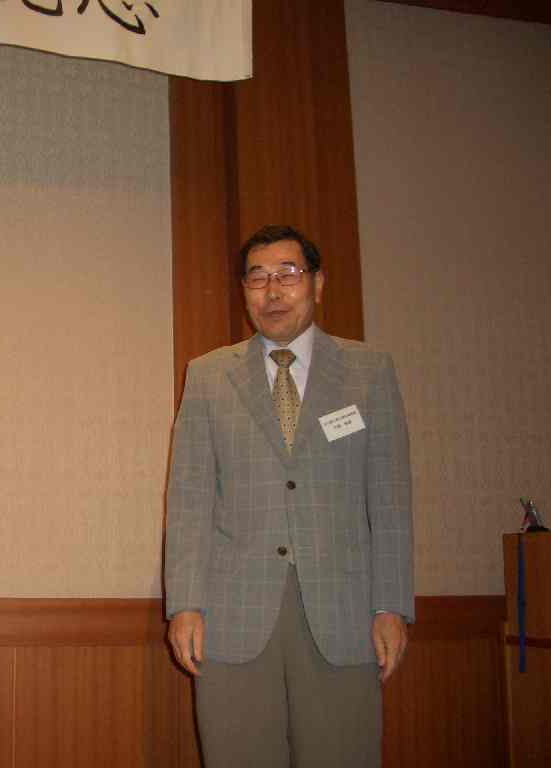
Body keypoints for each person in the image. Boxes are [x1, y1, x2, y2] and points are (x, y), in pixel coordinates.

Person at [164, 225, 413, 767]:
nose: (272, 290)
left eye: (288, 274)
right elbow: (188, 500)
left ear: (318, 284)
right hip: (232, 612)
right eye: (257, 278)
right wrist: (184, 604)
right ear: (244, 291)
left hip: (345, 610)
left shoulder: (369, 372)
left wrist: (391, 605)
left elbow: (391, 500)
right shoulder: (208, 376)